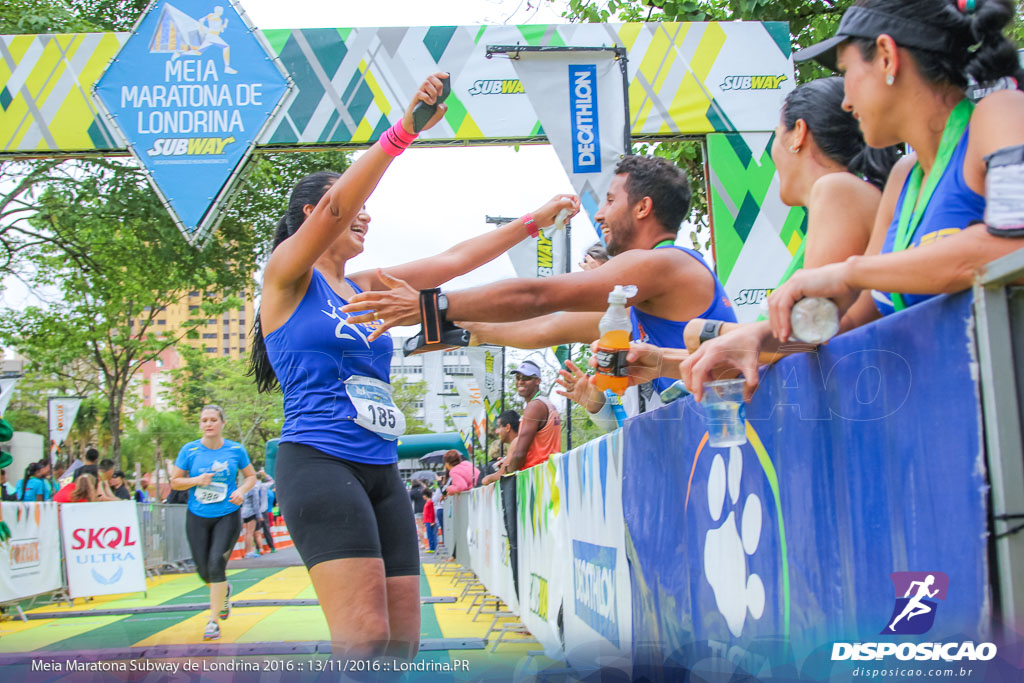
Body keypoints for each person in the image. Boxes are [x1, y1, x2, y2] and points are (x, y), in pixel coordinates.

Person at [247, 72, 579, 659]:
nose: (366, 219)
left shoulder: (368, 285)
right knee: (364, 638)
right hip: (320, 463)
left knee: (401, 643)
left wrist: (533, 220)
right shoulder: (285, 277)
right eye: (357, 211)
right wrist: (403, 133)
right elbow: (337, 203)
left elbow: (451, 261)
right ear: (313, 214)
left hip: (381, 471)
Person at [689, 0, 1024, 398]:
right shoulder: (903, 179)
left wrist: (849, 272)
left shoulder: (1000, 113)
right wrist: (758, 338)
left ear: (886, 57)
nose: (846, 101)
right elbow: (845, 322)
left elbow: (1012, 244)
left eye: (847, 72)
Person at [342, 154, 737, 419]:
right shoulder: (635, 302)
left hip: (719, 431)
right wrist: (462, 332)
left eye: (610, 200)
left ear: (643, 208)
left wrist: (432, 304)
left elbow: (537, 297)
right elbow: (543, 329)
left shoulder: (662, 263)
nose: (599, 213)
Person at [170, 405, 257, 642]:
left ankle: (213, 621)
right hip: (197, 515)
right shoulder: (190, 450)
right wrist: (196, 479)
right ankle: (223, 591)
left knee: (216, 564)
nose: (208, 424)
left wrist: (241, 491)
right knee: (203, 570)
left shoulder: (235, 449)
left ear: (222, 423)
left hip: (227, 514)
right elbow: (175, 482)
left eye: (213, 420)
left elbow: (251, 476)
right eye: (204, 420)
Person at [481, 410, 519, 486]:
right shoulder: (519, 441)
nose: (496, 431)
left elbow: (501, 474)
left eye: (498, 427)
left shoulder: (516, 442)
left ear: (508, 427)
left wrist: (488, 478)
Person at [241, 485, 263, 558]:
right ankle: (250, 552)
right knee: (250, 533)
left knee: (247, 533)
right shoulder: (254, 489)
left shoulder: (245, 488)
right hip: (251, 512)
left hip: (244, 512)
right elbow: (256, 503)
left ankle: (247, 551)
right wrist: (259, 515)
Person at [422, 488, 437, 553]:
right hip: (427, 520)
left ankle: (432, 547)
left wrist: (432, 521)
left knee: (431, 534)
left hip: (429, 521)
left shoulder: (430, 502)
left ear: (425, 495)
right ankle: (431, 547)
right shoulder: (428, 502)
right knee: (429, 534)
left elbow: (431, 512)